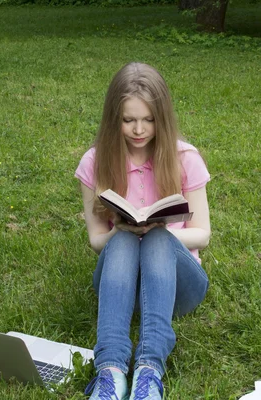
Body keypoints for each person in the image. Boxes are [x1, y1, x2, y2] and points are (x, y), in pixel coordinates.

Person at [75, 62, 211, 400]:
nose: (139, 129)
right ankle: (110, 371)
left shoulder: (186, 158)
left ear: (161, 118)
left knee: (156, 238)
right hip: (121, 286)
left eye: (148, 120)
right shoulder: (95, 162)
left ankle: (149, 370)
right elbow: (96, 240)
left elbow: (202, 235)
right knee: (121, 239)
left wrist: (157, 231)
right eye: (128, 120)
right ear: (113, 119)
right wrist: (122, 229)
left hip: (177, 285)